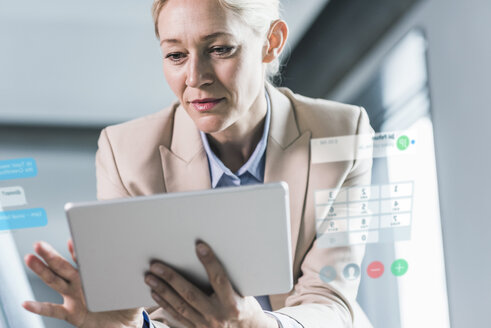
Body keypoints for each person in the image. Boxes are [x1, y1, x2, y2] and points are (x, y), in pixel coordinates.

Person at [22, 0, 374, 327]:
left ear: (272, 41)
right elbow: (154, 313)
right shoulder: (124, 153)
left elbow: (330, 298)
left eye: (220, 49)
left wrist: (254, 324)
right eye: (175, 55)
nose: (195, 77)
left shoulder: (342, 134)